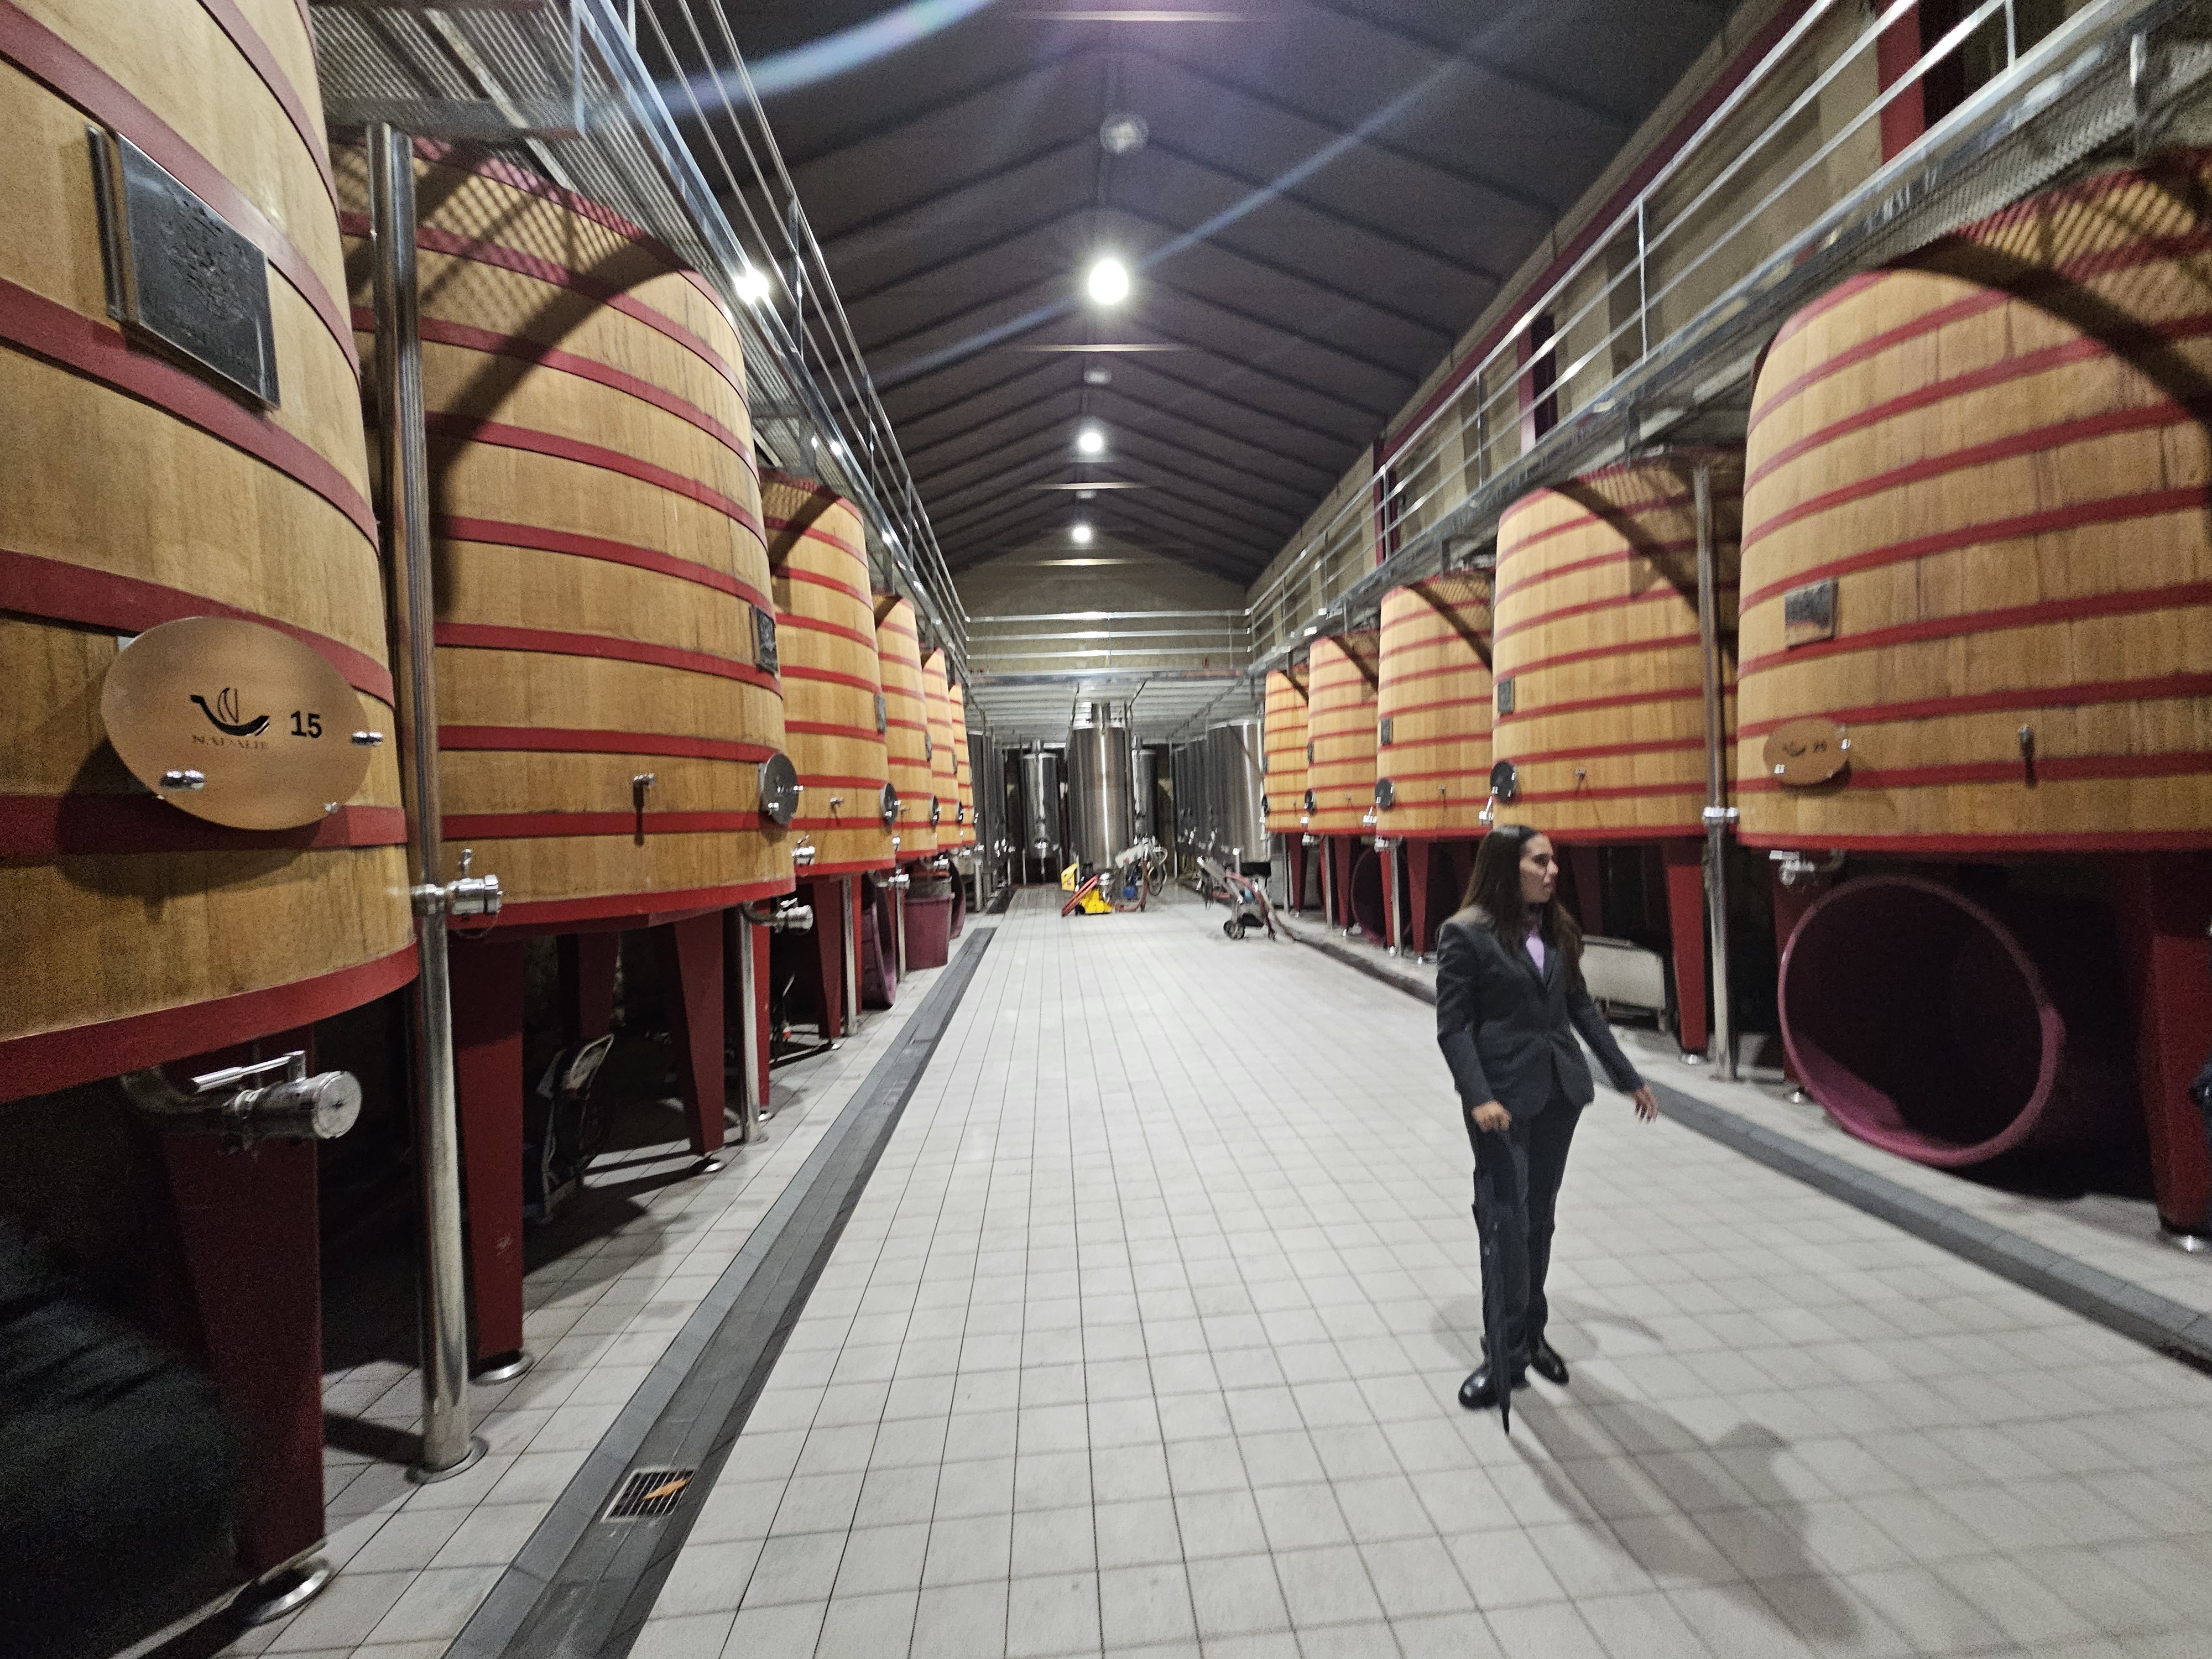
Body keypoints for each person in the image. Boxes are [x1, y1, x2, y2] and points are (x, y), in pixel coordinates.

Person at [1435, 825, 1658, 1412]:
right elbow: (1454, 1027)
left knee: (1539, 1221)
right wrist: (1477, 1095)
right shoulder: (1465, 934)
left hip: (1558, 1093)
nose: (1552, 870)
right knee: (1503, 1225)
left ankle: (1531, 1336)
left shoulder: (1556, 929)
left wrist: (1626, 1076)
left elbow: (1579, 1006)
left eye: (1553, 860)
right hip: (1500, 1104)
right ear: (1506, 868)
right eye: (1539, 861)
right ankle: (1501, 1356)